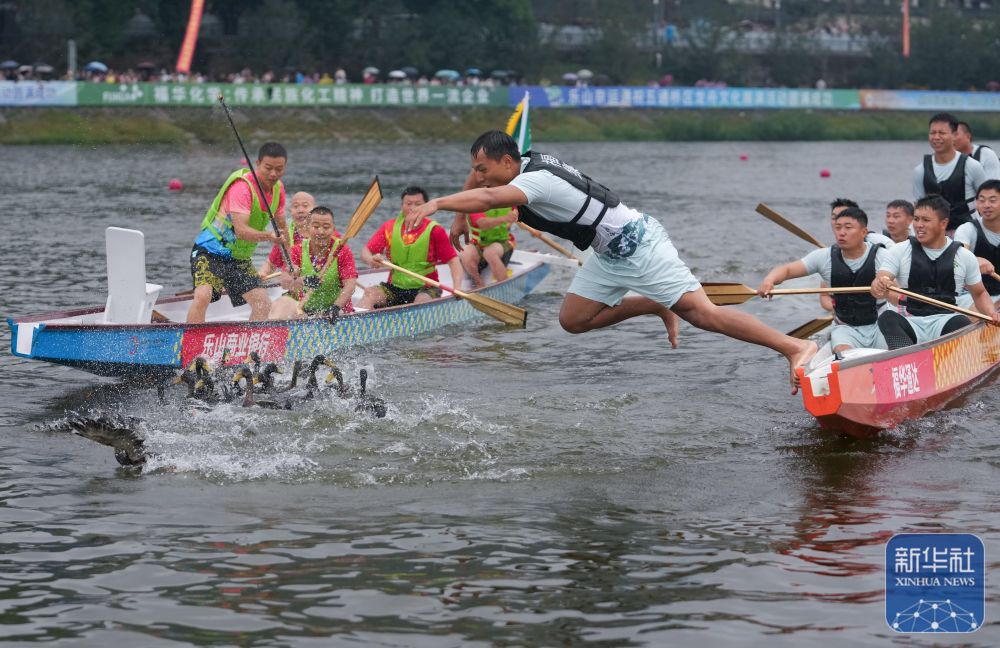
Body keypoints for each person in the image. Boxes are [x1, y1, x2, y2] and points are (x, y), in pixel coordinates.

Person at [404, 130, 817, 391]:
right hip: (607, 253)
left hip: (638, 245)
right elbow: (481, 183)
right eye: (476, 169)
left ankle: (795, 346)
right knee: (573, 320)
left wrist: (438, 204)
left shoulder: (536, 180)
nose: (478, 175)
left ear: (508, 163)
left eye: (484, 168)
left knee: (703, 314)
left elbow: (489, 195)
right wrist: (459, 216)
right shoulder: (518, 161)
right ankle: (654, 304)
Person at [872, 195, 999, 350]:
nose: (919, 225)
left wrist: (992, 314)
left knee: (961, 321)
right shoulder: (899, 251)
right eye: (916, 219)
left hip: (945, 321)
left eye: (926, 220)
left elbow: (979, 294)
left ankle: (942, 357)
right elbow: (881, 279)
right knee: (887, 318)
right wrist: (879, 285)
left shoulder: (964, 256)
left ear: (943, 223)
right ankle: (907, 356)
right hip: (910, 321)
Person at [759, 207, 888, 355]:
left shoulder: (883, 256)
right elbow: (787, 270)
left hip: (880, 324)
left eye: (848, 228)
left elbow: (902, 287)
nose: (841, 233)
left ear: (864, 232)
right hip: (845, 328)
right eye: (838, 228)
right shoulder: (823, 257)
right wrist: (769, 280)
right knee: (845, 353)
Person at [187, 142, 288, 323]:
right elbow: (241, 231)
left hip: (239, 258)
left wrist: (292, 264)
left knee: (263, 304)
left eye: (279, 169)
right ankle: (190, 340)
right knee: (203, 296)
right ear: (257, 164)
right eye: (268, 168)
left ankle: (251, 341)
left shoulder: (278, 189)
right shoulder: (242, 188)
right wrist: (269, 236)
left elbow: (283, 230)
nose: (273, 174)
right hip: (209, 252)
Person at [358, 186, 464, 309]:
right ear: (402, 205)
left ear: (426, 206)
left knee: (421, 300)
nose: (413, 208)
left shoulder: (435, 230)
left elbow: (453, 261)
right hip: (395, 287)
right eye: (408, 204)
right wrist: (371, 260)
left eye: (418, 204)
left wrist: (457, 287)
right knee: (370, 293)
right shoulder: (388, 228)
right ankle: (357, 319)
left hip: (426, 288)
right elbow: (366, 252)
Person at [269, 206, 358, 320]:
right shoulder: (297, 251)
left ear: (333, 229)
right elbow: (285, 282)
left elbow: (350, 285)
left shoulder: (342, 250)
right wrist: (304, 280)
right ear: (308, 227)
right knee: (280, 304)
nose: (321, 232)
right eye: (316, 227)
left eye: (326, 227)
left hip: (335, 310)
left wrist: (336, 307)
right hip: (304, 310)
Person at [912, 113, 987, 233]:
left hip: (968, 231)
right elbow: (918, 209)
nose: (936, 137)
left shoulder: (972, 166)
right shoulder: (920, 171)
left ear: (954, 135)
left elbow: (986, 201)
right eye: (932, 133)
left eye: (941, 133)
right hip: (934, 233)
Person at [954, 180, 1000, 307]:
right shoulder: (967, 229)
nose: (986, 205)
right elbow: (958, 258)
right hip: (972, 295)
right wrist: (974, 260)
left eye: (992, 200)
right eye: (981, 200)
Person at [259, 191, 315, 277]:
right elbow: (270, 264)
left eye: (305, 206)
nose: (300, 210)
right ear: (290, 211)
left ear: (315, 209)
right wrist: (262, 274)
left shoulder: (324, 233)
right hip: (291, 282)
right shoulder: (285, 236)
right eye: (295, 206)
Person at [460, 207, 518, 287]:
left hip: (504, 242)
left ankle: (504, 285)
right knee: (464, 253)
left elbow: (515, 211)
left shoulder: (506, 201)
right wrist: (505, 218)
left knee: (490, 253)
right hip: (479, 244)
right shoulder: (474, 205)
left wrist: (514, 215)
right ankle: (479, 283)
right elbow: (482, 224)